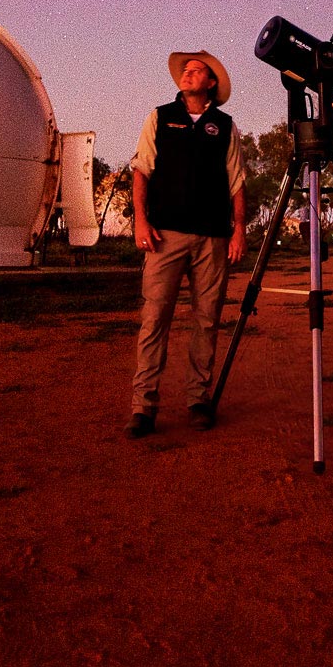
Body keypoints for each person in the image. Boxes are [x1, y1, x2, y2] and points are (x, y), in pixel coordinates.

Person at [127, 50, 247, 437]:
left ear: (210, 83)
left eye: (196, 70)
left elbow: (236, 180)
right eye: (185, 70)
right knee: (155, 318)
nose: (187, 73)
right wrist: (141, 220)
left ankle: (198, 398)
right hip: (166, 234)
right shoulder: (161, 117)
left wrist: (239, 227)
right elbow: (142, 169)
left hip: (212, 236)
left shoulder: (224, 125)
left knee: (206, 319)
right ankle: (144, 406)